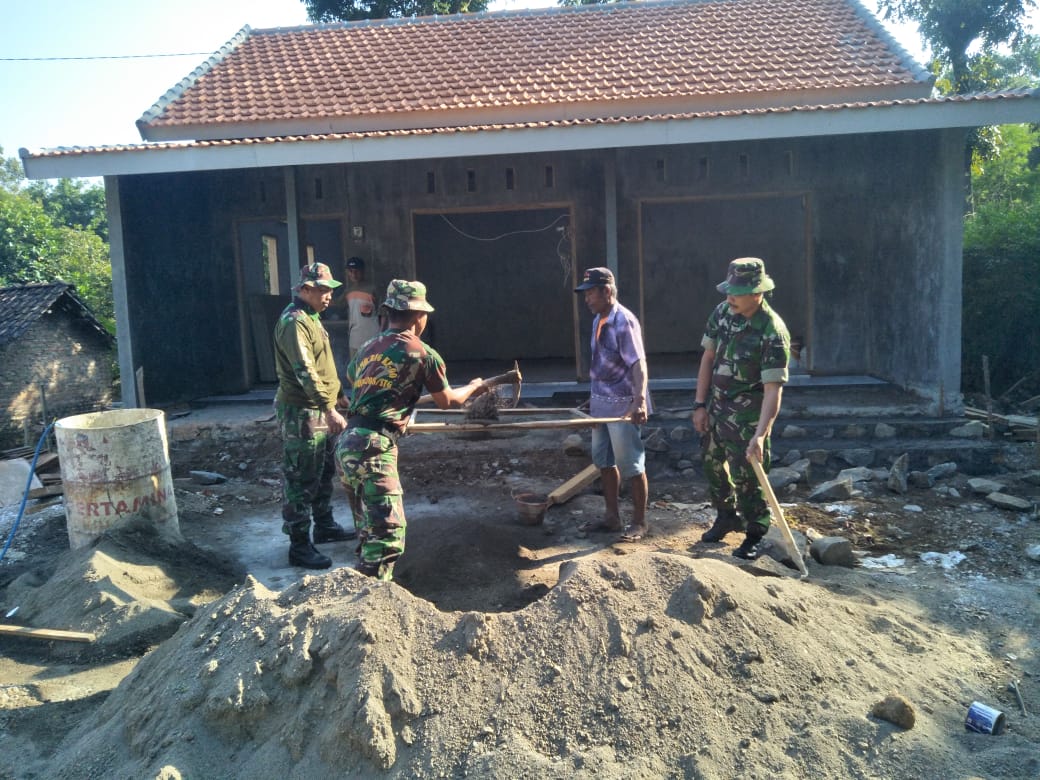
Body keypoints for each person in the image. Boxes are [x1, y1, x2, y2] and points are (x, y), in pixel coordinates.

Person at [336, 279, 485, 580]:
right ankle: (370, 606)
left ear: (389, 313)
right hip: (374, 448)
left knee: (368, 531)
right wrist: (473, 387)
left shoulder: (367, 347)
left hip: (347, 443)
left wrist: (399, 404)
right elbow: (447, 402)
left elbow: (357, 381)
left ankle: (357, 594)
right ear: (418, 316)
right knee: (387, 536)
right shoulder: (422, 353)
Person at [692, 257, 791, 560]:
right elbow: (708, 358)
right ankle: (726, 516)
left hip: (748, 418)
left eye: (737, 291)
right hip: (717, 408)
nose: (730, 297)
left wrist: (761, 435)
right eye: (728, 290)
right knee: (712, 465)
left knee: (748, 476)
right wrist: (699, 404)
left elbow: (774, 391)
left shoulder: (772, 332)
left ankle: (756, 532)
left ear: (757, 292)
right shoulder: (723, 313)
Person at [273, 262, 357, 570]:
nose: (328, 297)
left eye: (329, 291)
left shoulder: (311, 318)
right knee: (300, 478)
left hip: (319, 407)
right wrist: (328, 408)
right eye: (322, 291)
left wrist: (339, 397)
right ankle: (299, 546)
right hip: (302, 412)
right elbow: (305, 372)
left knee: (322, 472)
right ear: (305, 290)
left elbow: (324, 365)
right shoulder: (294, 322)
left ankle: (324, 526)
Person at [573, 266, 651, 542]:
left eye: (591, 293)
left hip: (623, 405)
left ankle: (639, 522)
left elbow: (638, 364)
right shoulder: (598, 320)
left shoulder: (623, 321)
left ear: (606, 291)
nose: (587, 299)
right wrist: (592, 399)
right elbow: (602, 365)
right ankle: (612, 517)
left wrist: (639, 401)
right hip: (601, 403)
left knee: (631, 464)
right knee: (604, 462)